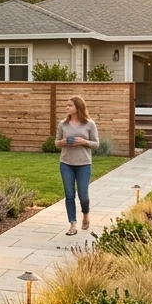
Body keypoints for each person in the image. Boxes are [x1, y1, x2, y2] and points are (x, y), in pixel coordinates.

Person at [55, 95, 98, 236]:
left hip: (84, 164)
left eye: (70, 105)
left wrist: (84, 142)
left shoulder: (89, 124)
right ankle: (72, 224)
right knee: (69, 195)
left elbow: (96, 144)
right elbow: (56, 143)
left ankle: (86, 214)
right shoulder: (63, 124)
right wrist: (63, 142)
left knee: (83, 195)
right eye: (66, 105)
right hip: (66, 163)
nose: (67, 107)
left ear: (78, 107)